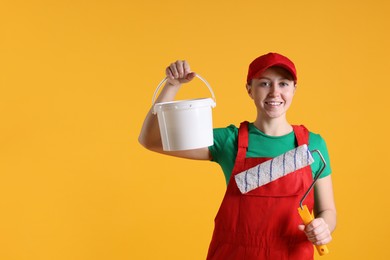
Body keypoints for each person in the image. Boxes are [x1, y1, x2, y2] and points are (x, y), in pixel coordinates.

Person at [138, 53, 336, 259]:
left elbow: (328, 211)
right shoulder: (229, 141)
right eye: (265, 83)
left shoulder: (313, 145)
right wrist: (171, 86)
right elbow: (151, 140)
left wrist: (324, 227)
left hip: (291, 253)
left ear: (294, 89)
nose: (275, 92)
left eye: (283, 84)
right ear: (249, 89)